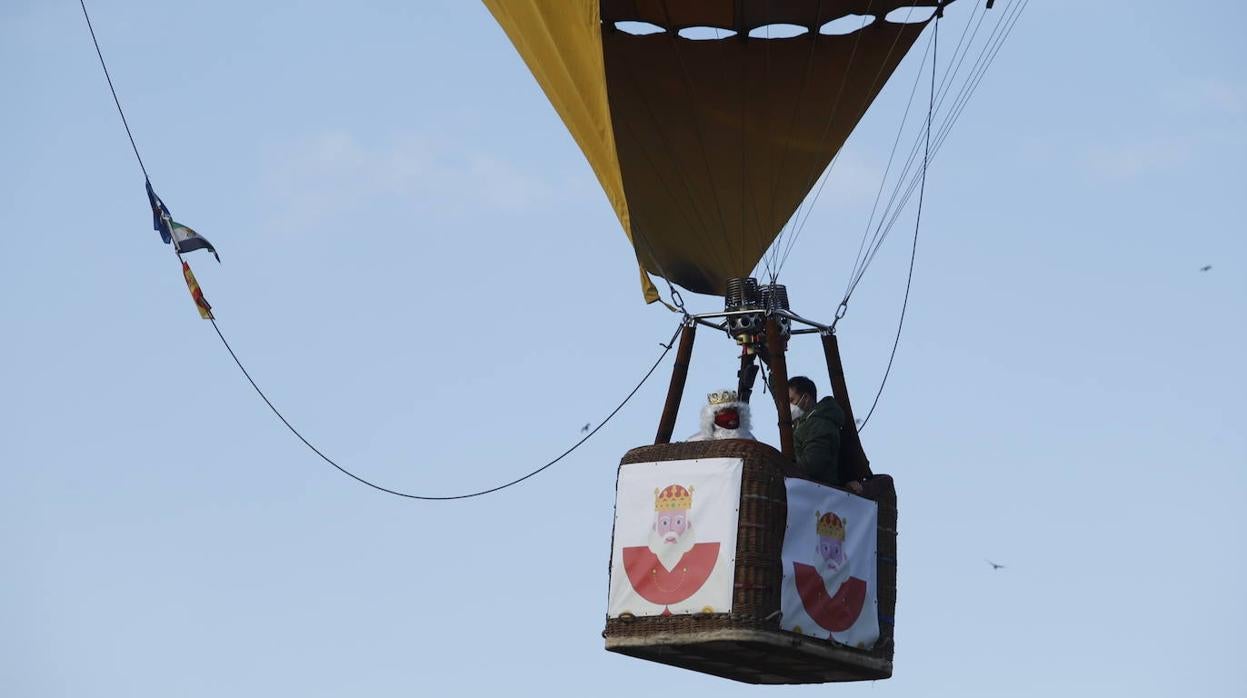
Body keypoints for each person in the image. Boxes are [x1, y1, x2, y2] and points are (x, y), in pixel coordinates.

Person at [787, 376, 860, 492]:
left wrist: (783, 466)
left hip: (817, 493)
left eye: (791, 400)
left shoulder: (819, 424)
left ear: (805, 398)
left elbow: (812, 466)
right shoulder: (802, 424)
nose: (788, 406)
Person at [686, 389, 755, 441]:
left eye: (734, 410)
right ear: (713, 415)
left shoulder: (750, 439)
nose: (732, 416)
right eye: (725, 411)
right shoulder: (696, 441)